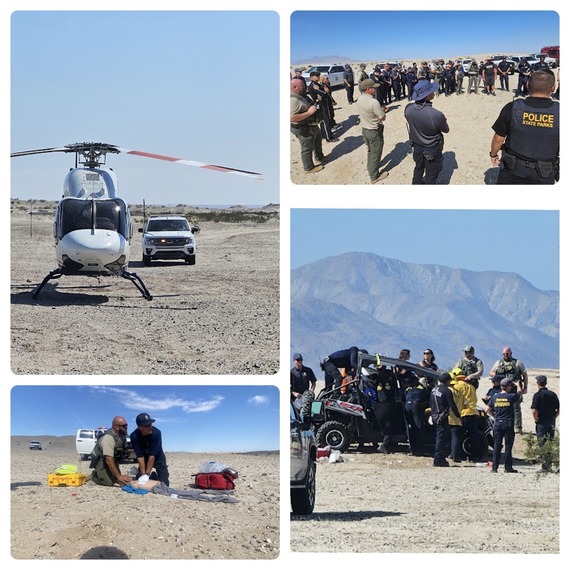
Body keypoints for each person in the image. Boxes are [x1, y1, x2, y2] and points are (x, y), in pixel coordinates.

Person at [490, 69, 559, 184]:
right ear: (553, 88)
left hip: (514, 169)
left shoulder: (512, 107)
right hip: (545, 172)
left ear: (527, 85)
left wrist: (493, 154)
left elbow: (499, 138)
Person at [404, 80, 449, 185]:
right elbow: (446, 130)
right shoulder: (436, 114)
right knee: (431, 174)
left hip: (416, 146)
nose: (434, 93)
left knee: (418, 168)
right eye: (432, 91)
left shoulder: (408, 108)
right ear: (428, 95)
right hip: (431, 148)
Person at [355, 78, 389, 183]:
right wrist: (383, 111)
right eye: (374, 88)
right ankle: (374, 176)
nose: (376, 89)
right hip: (374, 130)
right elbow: (382, 117)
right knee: (376, 152)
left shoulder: (360, 99)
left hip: (365, 129)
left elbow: (368, 112)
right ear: (368, 89)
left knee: (370, 150)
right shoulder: (374, 102)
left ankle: (371, 167)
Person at [485, 378, 523, 473]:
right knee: (508, 446)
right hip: (508, 423)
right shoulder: (510, 396)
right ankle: (508, 467)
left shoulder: (495, 396)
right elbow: (520, 393)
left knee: (497, 446)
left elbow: (487, 409)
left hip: (498, 423)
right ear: (508, 387)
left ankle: (494, 468)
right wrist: (518, 384)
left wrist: (495, 416)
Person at [290, 77, 325, 174]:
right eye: (302, 86)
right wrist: (309, 113)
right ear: (295, 87)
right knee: (307, 147)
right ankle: (308, 167)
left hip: (311, 125)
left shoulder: (301, 95)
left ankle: (319, 157)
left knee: (318, 140)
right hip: (303, 128)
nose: (304, 87)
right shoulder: (293, 100)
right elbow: (291, 118)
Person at [490, 347, 528, 434]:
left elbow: (525, 375)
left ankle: (518, 427)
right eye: (504, 354)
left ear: (511, 353)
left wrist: (525, 387)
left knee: (516, 408)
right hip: (502, 390)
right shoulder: (498, 363)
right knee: (501, 407)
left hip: (514, 389)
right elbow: (491, 372)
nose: (505, 355)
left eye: (507, 354)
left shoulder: (518, 363)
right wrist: (495, 374)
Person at [89, 416, 133, 487]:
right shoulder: (108, 438)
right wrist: (119, 476)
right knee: (108, 482)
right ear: (117, 427)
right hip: (101, 462)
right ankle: (94, 476)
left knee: (120, 480)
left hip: (112, 461)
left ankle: (110, 474)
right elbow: (108, 459)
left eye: (126, 425)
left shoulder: (122, 436)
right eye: (124, 426)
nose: (126, 427)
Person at [130, 413, 170, 486]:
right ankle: (152, 477)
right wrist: (143, 475)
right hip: (144, 459)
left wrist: (147, 474)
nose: (150, 427)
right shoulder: (134, 436)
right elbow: (140, 456)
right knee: (140, 480)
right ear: (139, 427)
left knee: (165, 484)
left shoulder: (156, 433)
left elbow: (152, 455)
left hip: (157, 457)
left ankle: (153, 476)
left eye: (151, 424)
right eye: (147, 425)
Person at [430, 373, 461, 467]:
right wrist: (458, 416)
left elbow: (430, 402)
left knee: (440, 437)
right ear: (448, 381)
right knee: (441, 439)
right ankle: (438, 459)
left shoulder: (433, 389)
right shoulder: (447, 391)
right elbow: (452, 405)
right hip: (442, 417)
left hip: (434, 415)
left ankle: (439, 458)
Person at [450, 368, 481, 462]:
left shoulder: (456, 386)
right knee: (473, 436)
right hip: (473, 413)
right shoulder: (471, 386)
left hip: (462, 413)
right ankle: (474, 456)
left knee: (458, 435)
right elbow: (475, 400)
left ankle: (456, 455)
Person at [530, 375, 560, 471]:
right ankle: (549, 464)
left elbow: (534, 410)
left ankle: (545, 466)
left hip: (541, 422)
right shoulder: (553, 394)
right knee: (549, 443)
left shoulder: (537, 395)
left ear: (538, 383)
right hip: (551, 421)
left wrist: (536, 419)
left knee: (542, 443)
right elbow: (558, 409)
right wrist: (553, 417)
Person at [307, 71, 337, 143]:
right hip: (321, 105)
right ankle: (328, 137)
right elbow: (323, 94)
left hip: (323, 104)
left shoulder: (317, 84)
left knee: (324, 121)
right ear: (312, 77)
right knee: (325, 120)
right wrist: (324, 91)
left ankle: (324, 134)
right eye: (316, 76)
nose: (318, 77)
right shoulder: (314, 86)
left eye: (318, 75)